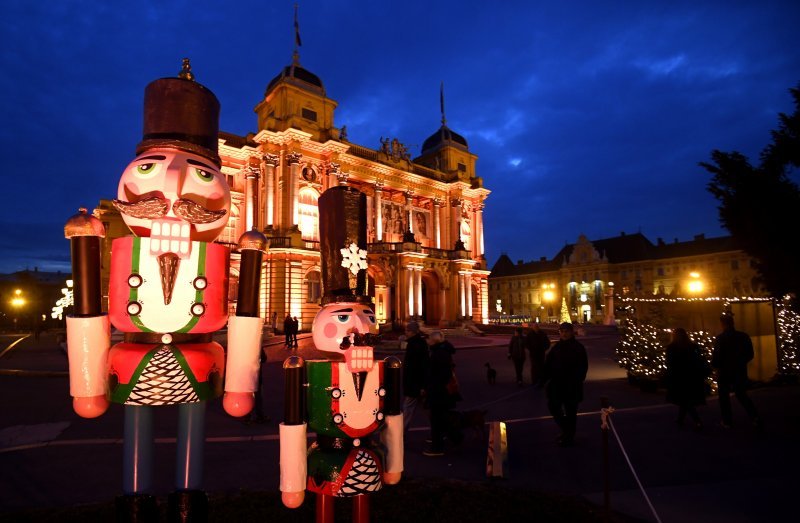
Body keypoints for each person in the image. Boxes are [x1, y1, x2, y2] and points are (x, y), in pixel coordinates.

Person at [712, 313, 761, 429]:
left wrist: (715, 366)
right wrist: (740, 362)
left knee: (724, 397)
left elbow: (717, 356)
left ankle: (727, 421)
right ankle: (754, 417)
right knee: (741, 394)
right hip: (739, 370)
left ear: (722, 324)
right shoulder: (743, 336)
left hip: (724, 371)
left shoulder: (721, 338)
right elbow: (750, 354)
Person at [543, 322, 588, 446]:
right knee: (553, 406)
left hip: (571, 386)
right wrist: (544, 378)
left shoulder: (578, 347)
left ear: (571, 332)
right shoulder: (557, 347)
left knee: (571, 412)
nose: (564, 333)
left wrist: (575, 380)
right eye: (561, 331)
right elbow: (548, 364)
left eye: (566, 331)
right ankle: (566, 429)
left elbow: (583, 367)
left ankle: (568, 436)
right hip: (557, 385)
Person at [665, 328, 707, 430]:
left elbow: (670, 363)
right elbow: (698, 360)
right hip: (691, 376)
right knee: (686, 398)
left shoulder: (671, 347)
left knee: (684, 400)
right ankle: (681, 419)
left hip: (679, 376)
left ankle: (697, 421)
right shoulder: (692, 346)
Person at [424, 330, 457, 456]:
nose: (427, 341)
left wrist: (432, 386)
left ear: (434, 341)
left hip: (439, 391)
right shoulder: (441, 351)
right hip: (440, 391)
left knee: (437, 418)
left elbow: (441, 374)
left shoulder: (439, 353)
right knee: (441, 417)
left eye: (429, 339)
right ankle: (452, 438)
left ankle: (437, 447)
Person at [402, 321, 429, 433]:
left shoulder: (414, 345)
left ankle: (400, 434)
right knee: (428, 410)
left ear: (411, 331)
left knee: (408, 409)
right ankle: (440, 432)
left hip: (414, 385)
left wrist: (421, 386)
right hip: (418, 384)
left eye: (407, 330)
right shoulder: (420, 343)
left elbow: (419, 367)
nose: (405, 333)